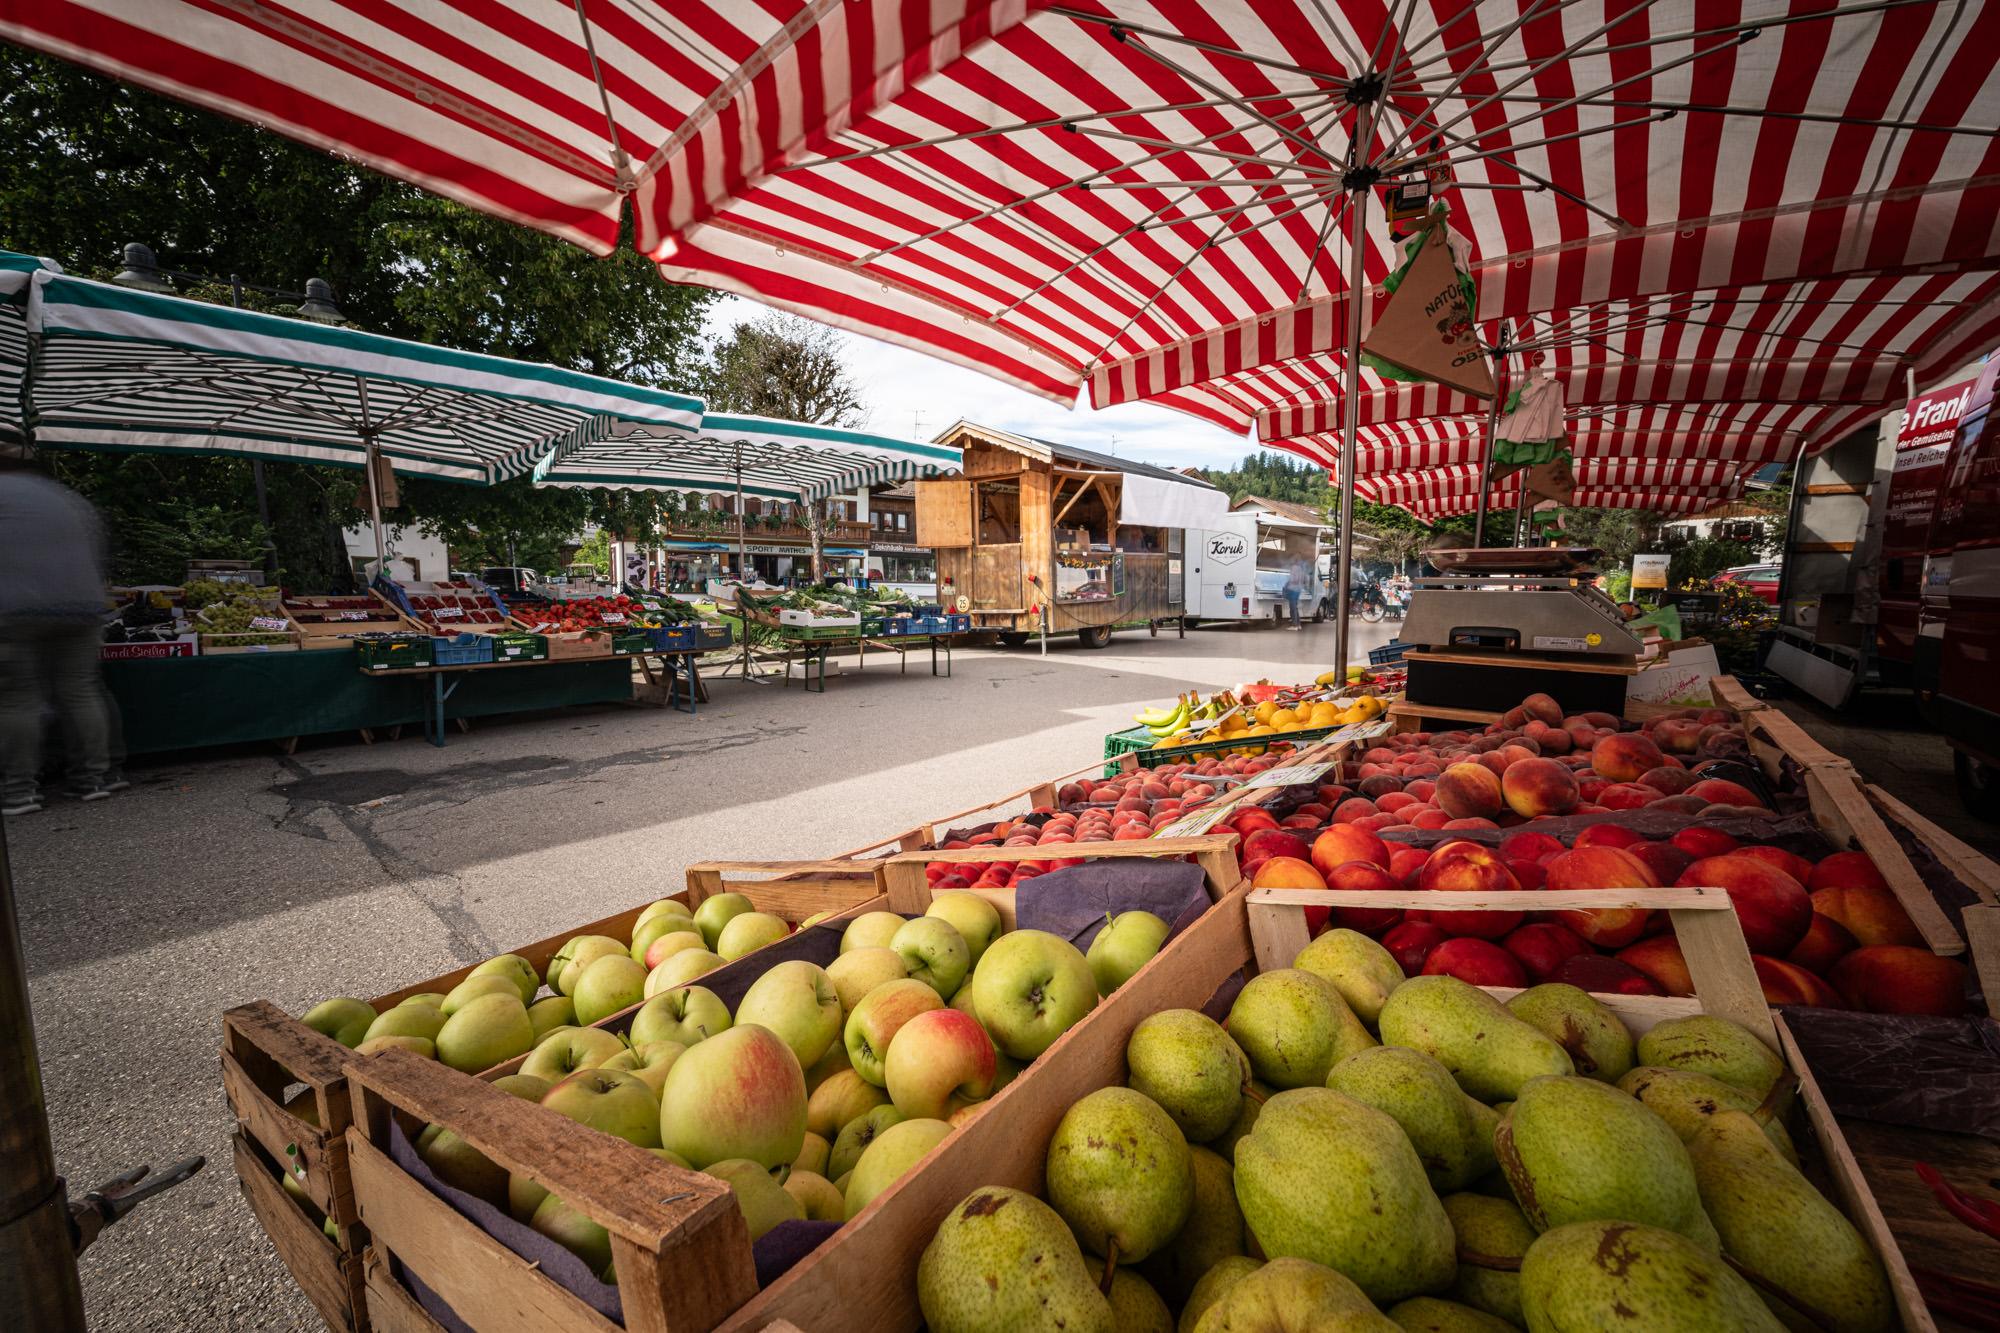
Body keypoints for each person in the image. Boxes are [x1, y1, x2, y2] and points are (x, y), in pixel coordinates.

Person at [1, 451, 121, 815]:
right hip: (82, 607)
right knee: (80, 690)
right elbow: (100, 550)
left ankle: (18, 790)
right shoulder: (69, 499)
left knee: (17, 698)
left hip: (16, 608)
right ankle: (95, 778)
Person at [1283, 555, 1308, 630]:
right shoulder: (1301, 569)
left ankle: (1294, 625)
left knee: (1292, 608)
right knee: (1295, 608)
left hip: (1293, 589)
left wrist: (1287, 584)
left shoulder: (1294, 568)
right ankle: (1298, 624)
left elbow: (1293, 579)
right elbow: (1304, 580)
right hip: (1298, 589)